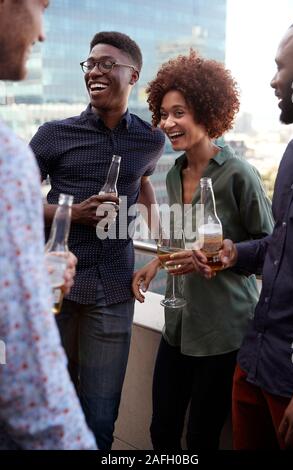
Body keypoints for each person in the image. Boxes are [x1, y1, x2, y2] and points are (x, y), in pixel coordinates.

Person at [30, 31, 165, 450]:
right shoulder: (53, 134)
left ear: (133, 75)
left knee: (101, 416)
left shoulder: (151, 139)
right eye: (90, 64)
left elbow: (142, 181)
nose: (94, 71)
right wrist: (72, 213)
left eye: (107, 63)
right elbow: (9, 203)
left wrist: (159, 240)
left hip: (113, 291)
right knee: (51, 407)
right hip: (56, 291)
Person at [132, 50, 274, 450]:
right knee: (161, 431)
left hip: (223, 333)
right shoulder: (175, 172)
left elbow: (270, 252)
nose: (167, 123)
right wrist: (154, 264)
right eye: (163, 113)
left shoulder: (239, 175)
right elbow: (182, 241)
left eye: (179, 113)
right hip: (178, 327)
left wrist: (225, 256)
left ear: (206, 113)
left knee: (200, 439)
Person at [0, 0, 96, 449]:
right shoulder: (12, 155)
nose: (42, 33)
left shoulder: (148, 140)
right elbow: (27, 371)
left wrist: (25, 274)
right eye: (41, 5)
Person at [208, 19, 293, 450]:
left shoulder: (240, 171)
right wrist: (235, 254)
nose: (273, 79)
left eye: (281, 67)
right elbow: (280, 248)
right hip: (256, 363)